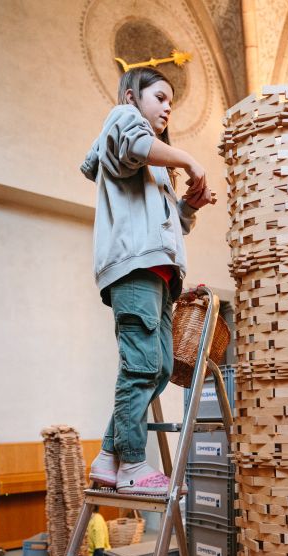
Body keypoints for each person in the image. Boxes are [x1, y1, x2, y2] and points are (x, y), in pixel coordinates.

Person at [80, 67, 216, 495]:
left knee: (158, 369)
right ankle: (133, 466)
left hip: (158, 277)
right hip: (135, 272)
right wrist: (189, 160)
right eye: (159, 97)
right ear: (130, 97)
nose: (167, 107)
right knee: (140, 366)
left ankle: (109, 456)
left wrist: (189, 206)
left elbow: (171, 225)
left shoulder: (154, 170)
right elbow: (136, 143)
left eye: (170, 101)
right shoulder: (121, 119)